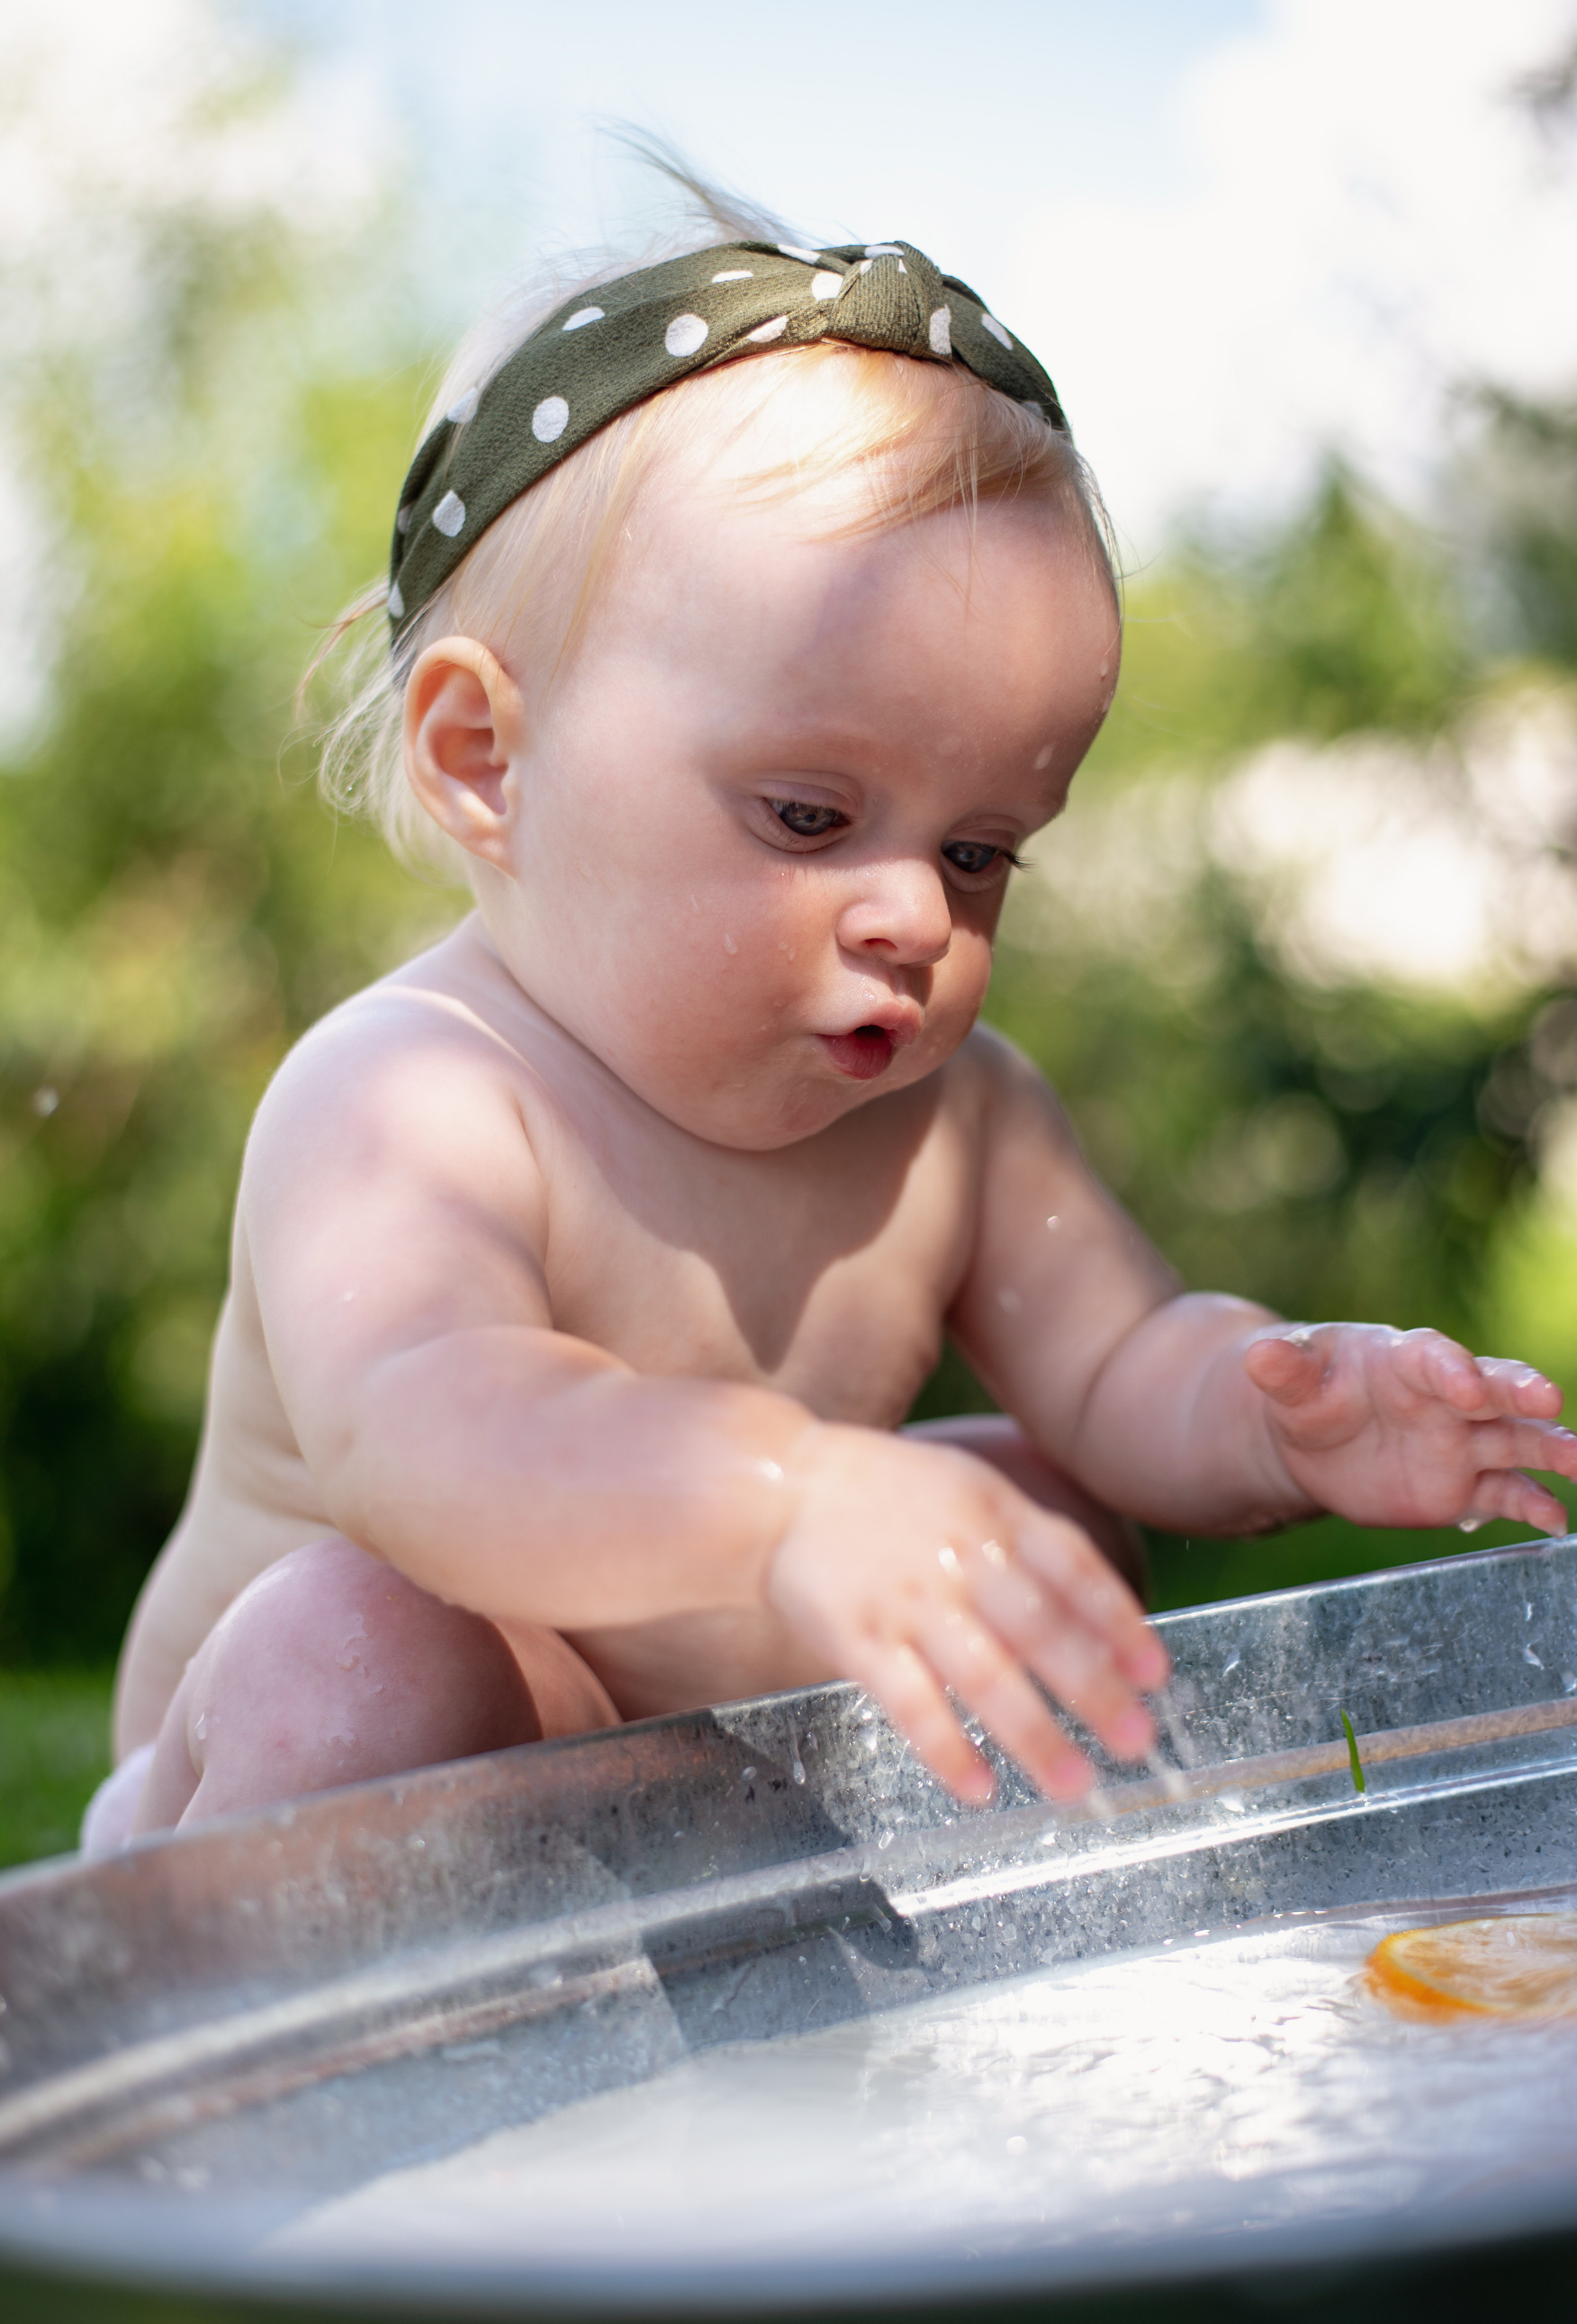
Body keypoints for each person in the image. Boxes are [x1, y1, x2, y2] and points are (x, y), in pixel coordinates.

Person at [82, 182, 1577, 1855]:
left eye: (978, 848)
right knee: (365, 1643)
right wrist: (792, 1500)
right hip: (257, 1841)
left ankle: (853, 1972)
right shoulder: (413, 1100)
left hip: (657, 1795)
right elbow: (440, 1442)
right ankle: (260, 2112)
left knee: (1038, 1508)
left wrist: (1270, 1406)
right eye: (807, 818)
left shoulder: (958, 1116)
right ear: (486, 762)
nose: (915, 915)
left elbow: (1116, 1359)